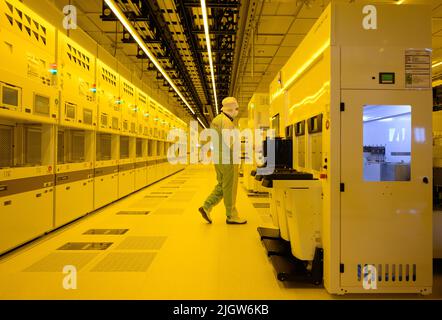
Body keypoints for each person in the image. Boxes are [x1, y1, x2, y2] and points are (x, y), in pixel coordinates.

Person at [198, 97, 247, 225]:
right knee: (230, 187)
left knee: (222, 185)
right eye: (236, 108)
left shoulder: (216, 120)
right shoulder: (226, 122)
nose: (236, 111)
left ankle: (206, 207)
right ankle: (232, 216)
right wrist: (251, 146)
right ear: (231, 108)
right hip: (228, 159)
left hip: (218, 158)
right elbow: (230, 143)